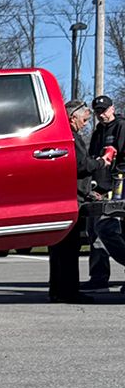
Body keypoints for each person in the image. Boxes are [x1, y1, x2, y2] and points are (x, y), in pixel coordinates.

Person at [53, 99, 114, 303]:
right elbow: (81, 165)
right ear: (73, 118)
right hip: (72, 199)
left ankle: (57, 290)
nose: (85, 124)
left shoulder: (62, 135)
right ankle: (69, 292)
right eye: (84, 120)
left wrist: (89, 192)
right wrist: (101, 162)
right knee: (69, 248)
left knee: (59, 247)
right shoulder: (71, 137)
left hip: (68, 195)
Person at [82, 94, 125, 291]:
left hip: (118, 185)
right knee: (94, 231)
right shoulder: (98, 131)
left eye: (104, 110)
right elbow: (93, 159)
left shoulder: (121, 127)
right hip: (99, 187)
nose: (101, 114)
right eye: (98, 111)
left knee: (107, 229)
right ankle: (98, 277)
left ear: (112, 108)